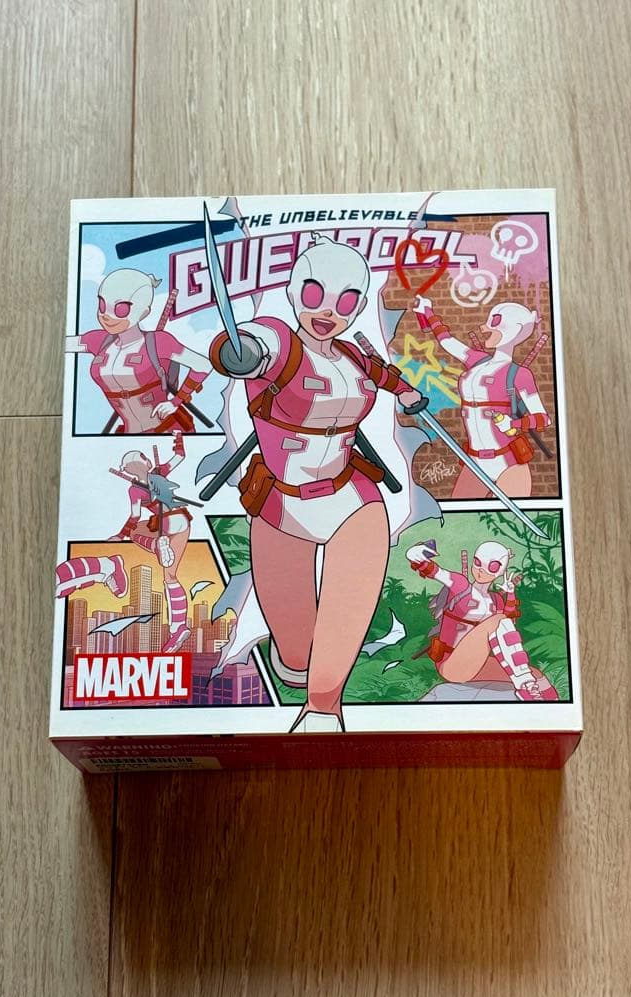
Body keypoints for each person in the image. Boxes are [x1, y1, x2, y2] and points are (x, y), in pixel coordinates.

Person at [208, 234, 423, 731]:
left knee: (348, 604)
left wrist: (407, 392)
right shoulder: (281, 344)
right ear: (293, 292)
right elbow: (248, 346)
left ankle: (323, 709)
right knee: (295, 654)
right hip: (281, 504)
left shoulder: (352, 355)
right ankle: (298, 668)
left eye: (346, 301)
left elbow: (382, 374)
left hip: (350, 495)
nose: (327, 310)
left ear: (357, 307)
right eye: (314, 293)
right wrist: (238, 352)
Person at [413, 295, 551, 497]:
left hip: (509, 463)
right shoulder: (477, 361)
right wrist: (429, 313)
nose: (484, 328)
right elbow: (448, 342)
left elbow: (543, 418)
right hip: (474, 462)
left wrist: (514, 424)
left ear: (513, 330)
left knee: (508, 517)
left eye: (494, 323)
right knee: (460, 515)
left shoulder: (519, 374)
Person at [407, 538, 558, 701]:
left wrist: (510, 593)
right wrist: (415, 556)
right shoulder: (461, 585)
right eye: (478, 562)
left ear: (500, 570)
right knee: (498, 620)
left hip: (476, 663)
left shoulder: (496, 599)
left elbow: (508, 632)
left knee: (536, 675)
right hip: (452, 663)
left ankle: (552, 703)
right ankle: (523, 684)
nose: (481, 569)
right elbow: (435, 571)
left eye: (491, 566)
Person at [66, 268, 208, 434]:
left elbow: (203, 365)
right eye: (102, 305)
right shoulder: (99, 341)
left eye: (120, 309)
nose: (106, 315)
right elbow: (64, 344)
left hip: (167, 431)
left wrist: (176, 401)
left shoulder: (157, 342)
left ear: (143, 312)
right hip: (128, 435)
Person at [108, 433, 192, 652]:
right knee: (170, 576)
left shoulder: (135, 490)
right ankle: (178, 628)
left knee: (136, 529)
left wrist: (121, 535)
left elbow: (135, 517)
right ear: (145, 462)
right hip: (182, 521)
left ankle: (156, 546)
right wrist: (178, 436)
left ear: (128, 471)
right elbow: (180, 455)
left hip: (164, 523)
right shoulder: (159, 472)